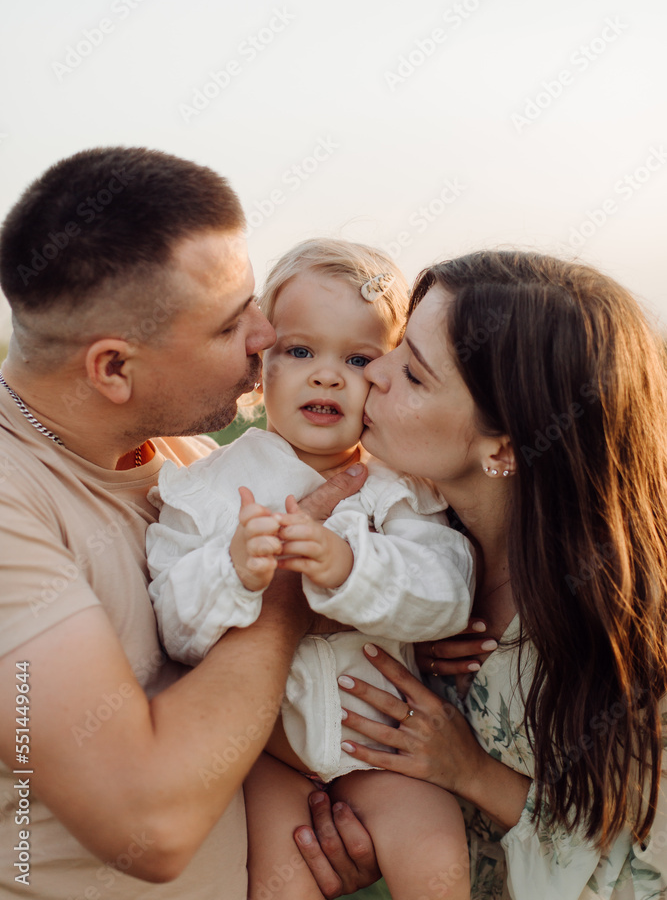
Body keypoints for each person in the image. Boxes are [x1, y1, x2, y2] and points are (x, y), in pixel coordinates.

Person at [0, 147, 373, 899]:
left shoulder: (195, 461)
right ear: (112, 369)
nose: (267, 335)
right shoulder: (14, 503)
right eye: (232, 323)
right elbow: (152, 827)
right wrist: (284, 598)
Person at [297, 250, 667, 899]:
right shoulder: (397, 542)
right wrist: (370, 828)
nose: (370, 372)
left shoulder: (631, 632)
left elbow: (641, 878)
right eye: (393, 347)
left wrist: (469, 771)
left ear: (502, 447)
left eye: (412, 373)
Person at [146, 238, 475, 899]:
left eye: (357, 359)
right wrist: (234, 572)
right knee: (278, 880)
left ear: (385, 377)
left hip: (383, 746)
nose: (326, 375)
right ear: (258, 366)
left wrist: (351, 567)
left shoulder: (398, 489)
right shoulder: (204, 492)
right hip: (266, 752)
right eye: (299, 351)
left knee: (435, 856)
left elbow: (446, 591)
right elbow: (173, 626)